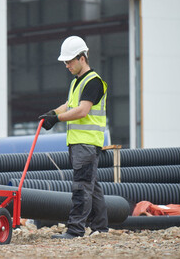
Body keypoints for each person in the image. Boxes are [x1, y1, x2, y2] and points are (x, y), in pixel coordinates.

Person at [39, 36, 109, 239]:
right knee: (91, 187)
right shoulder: (77, 82)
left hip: (86, 145)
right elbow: (69, 105)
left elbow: (82, 111)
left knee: (81, 187)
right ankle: (100, 228)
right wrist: (52, 113)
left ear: (82, 58)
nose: (67, 65)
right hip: (80, 144)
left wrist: (58, 118)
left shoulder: (93, 82)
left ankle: (75, 230)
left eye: (69, 61)